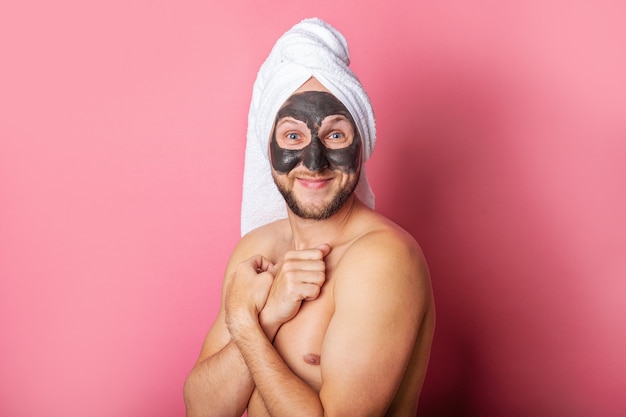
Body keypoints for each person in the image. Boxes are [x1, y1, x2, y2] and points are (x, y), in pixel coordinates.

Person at [183, 18, 435, 417]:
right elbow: (201, 409)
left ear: (361, 146)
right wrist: (268, 318)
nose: (314, 163)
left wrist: (246, 326)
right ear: (269, 150)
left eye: (335, 135)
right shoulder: (257, 248)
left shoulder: (383, 260)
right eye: (293, 137)